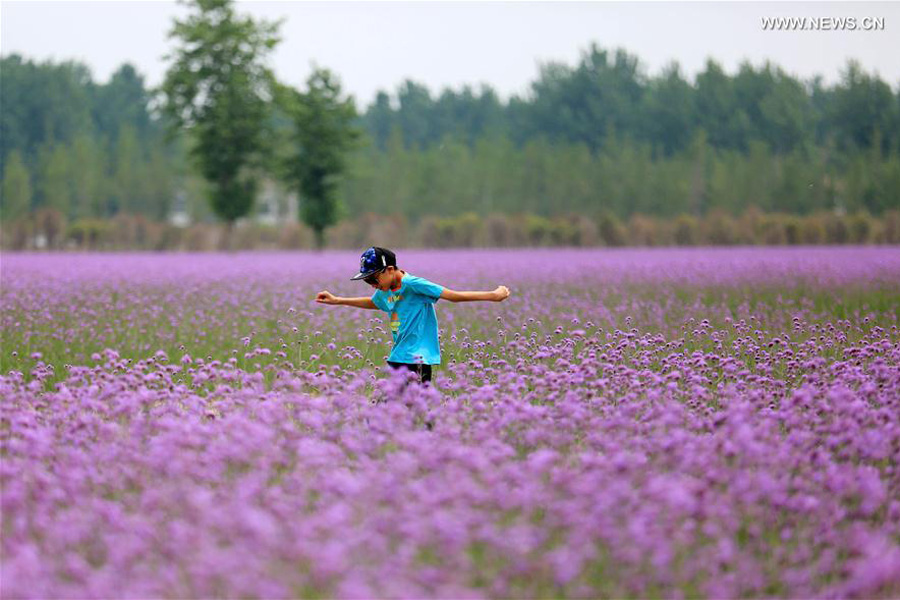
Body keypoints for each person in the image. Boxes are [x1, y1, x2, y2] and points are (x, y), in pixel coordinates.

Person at [315, 246, 510, 384]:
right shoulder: (385, 290)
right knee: (403, 411)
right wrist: (338, 300)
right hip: (398, 357)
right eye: (367, 282)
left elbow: (454, 296)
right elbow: (374, 302)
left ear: (390, 270)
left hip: (416, 359)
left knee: (409, 410)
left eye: (373, 279)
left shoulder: (415, 285)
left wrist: (493, 295)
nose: (373, 286)